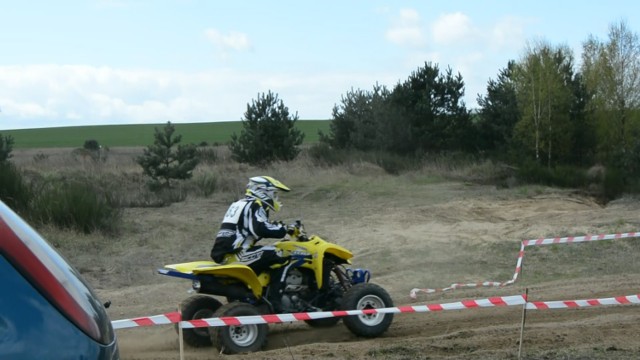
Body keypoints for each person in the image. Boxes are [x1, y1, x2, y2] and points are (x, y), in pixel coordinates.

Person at [210, 176, 293, 309]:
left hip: (224, 254)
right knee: (283, 255)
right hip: (237, 254)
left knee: (266, 255)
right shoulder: (255, 204)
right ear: (262, 191)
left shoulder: (239, 204)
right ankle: (275, 302)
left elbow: (252, 225)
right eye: (274, 194)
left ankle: (259, 292)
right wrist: (285, 228)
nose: (276, 198)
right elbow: (260, 228)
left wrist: (276, 225)